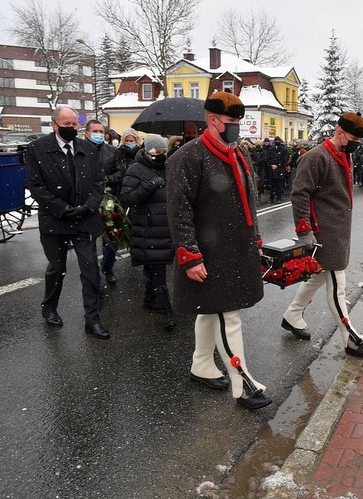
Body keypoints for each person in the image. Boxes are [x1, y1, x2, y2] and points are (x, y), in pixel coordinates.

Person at [166, 91, 271, 410]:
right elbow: (179, 209)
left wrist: (256, 239)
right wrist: (189, 254)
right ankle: (244, 384)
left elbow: (250, 200)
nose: (236, 127)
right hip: (209, 251)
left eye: (239, 121)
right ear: (211, 120)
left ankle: (201, 364)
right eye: (230, 122)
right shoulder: (189, 155)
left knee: (211, 310)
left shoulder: (239, 152)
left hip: (236, 249)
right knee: (229, 315)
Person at [280, 112, 363, 358]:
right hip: (323, 233)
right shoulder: (316, 157)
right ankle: (351, 338)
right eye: (353, 137)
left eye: (359, 139)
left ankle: (293, 315)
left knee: (319, 276)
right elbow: (299, 194)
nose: (356, 143)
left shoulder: (344, 154)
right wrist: (304, 230)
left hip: (337, 231)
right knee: (337, 286)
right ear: (339, 132)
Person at [25, 105, 110, 339]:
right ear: (54, 125)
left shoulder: (87, 149)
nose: (72, 128)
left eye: (75, 125)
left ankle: (92, 319)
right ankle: (49, 307)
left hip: (84, 217)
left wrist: (89, 206)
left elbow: (98, 182)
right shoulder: (37, 149)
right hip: (56, 219)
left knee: (89, 269)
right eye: (67, 125)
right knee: (57, 268)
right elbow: (36, 187)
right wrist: (62, 209)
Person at [120, 134, 175, 330]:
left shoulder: (170, 167)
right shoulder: (135, 170)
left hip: (167, 227)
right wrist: (149, 185)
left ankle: (149, 299)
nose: (160, 156)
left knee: (155, 267)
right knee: (158, 269)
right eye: (156, 152)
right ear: (147, 152)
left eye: (163, 152)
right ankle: (167, 313)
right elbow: (127, 198)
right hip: (148, 228)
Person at [84, 119, 128, 286]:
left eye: (101, 132)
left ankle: (107, 268)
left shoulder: (112, 152)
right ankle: (92, 273)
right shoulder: (80, 151)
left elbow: (120, 172)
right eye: (95, 131)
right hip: (88, 200)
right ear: (87, 133)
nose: (99, 135)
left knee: (111, 238)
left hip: (109, 200)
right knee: (89, 240)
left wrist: (107, 180)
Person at [267, 136, 289, 203]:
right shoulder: (271, 149)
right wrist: (271, 165)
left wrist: (277, 165)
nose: (277, 142)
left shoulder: (284, 150)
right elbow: (268, 158)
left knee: (279, 185)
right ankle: (271, 198)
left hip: (280, 170)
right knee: (272, 185)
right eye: (276, 141)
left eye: (278, 141)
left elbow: (284, 160)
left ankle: (278, 198)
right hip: (272, 169)